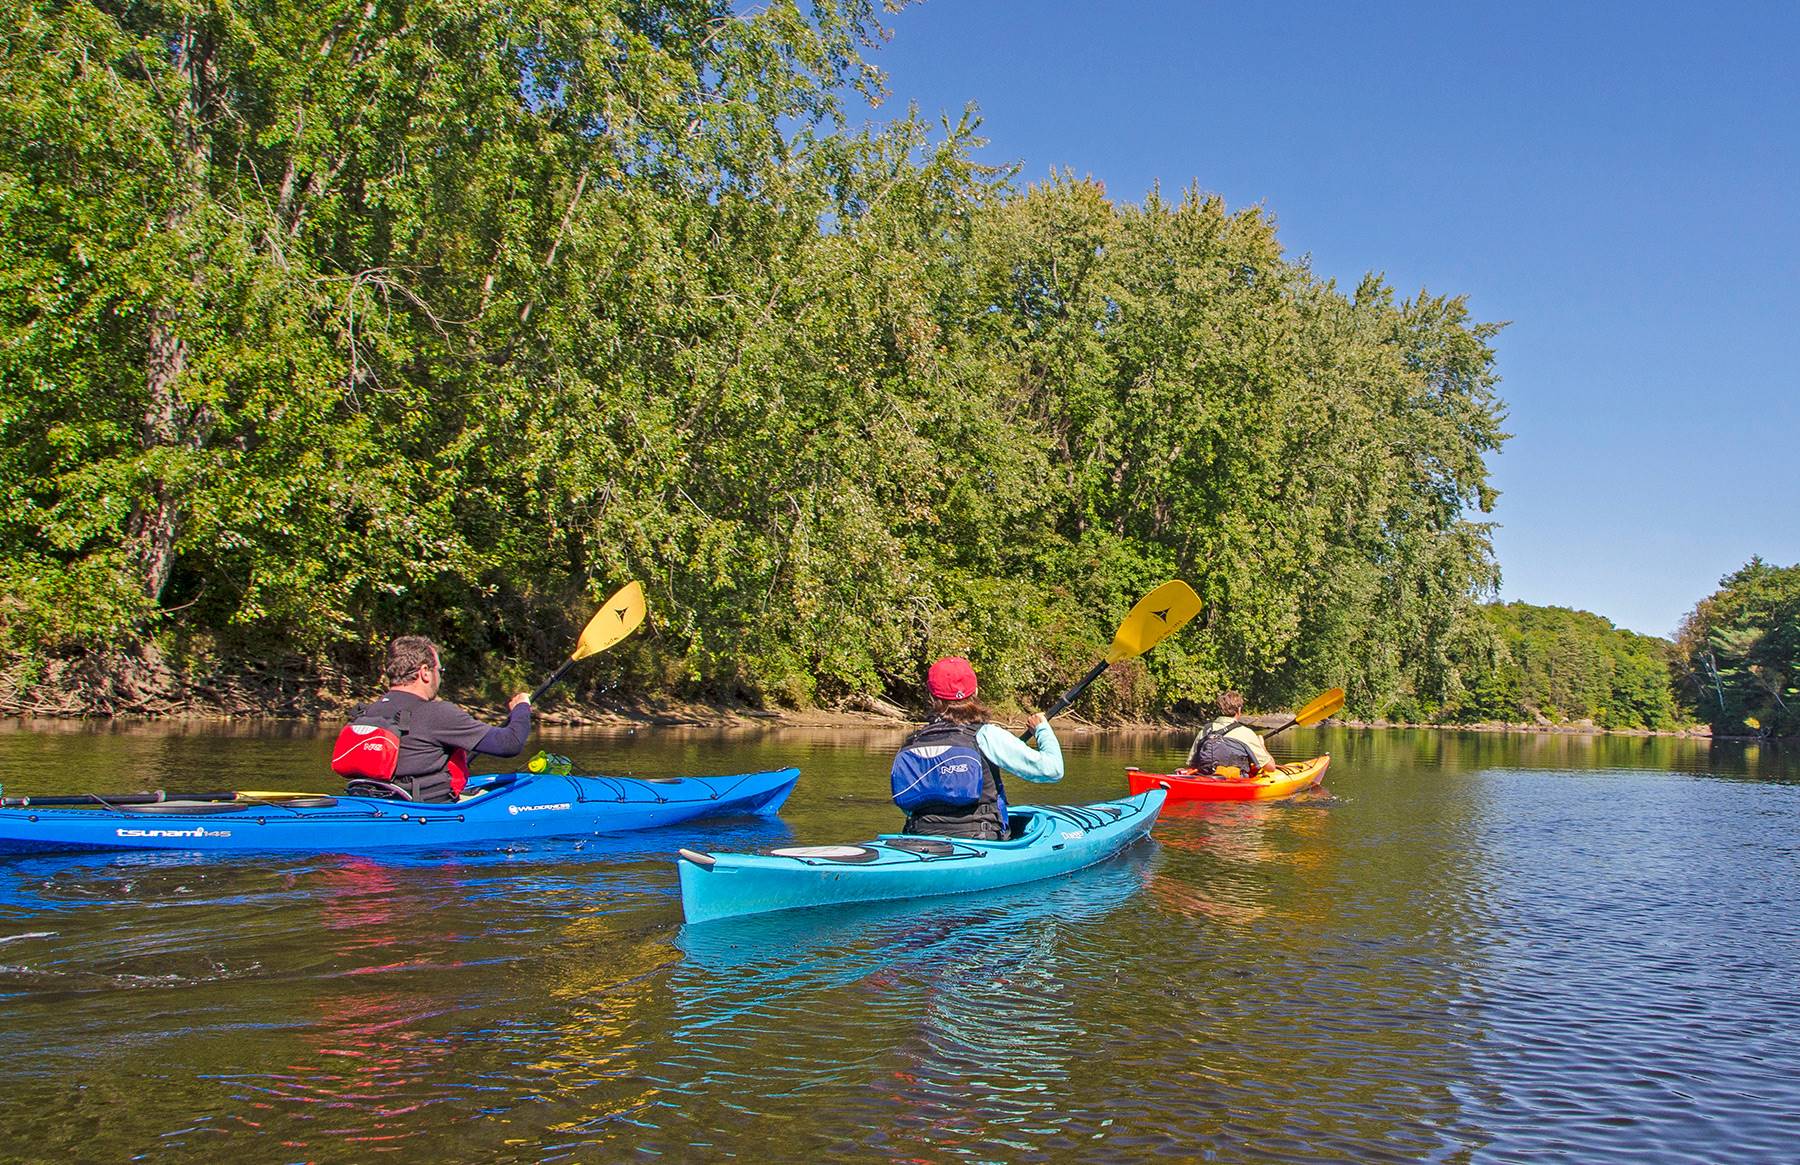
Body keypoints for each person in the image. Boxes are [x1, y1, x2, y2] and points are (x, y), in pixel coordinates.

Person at [888, 656, 1064, 841]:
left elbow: (907, 805)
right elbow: (1052, 770)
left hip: (919, 838)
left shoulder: (912, 742)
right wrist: (1042, 729)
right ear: (976, 691)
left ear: (931, 697)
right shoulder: (987, 735)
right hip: (981, 839)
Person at [344, 636, 534, 802]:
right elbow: (509, 744)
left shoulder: (368, 711)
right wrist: (521, 708)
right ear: (425, 672)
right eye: (439, 671)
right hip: (423, 811)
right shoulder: (437, 713)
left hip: (372, 800)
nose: (440, 678)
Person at [1185, 690, 1275, 777]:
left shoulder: (1205, 731)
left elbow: (1191, 764)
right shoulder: (1246, 733)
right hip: (1235, 782)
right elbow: (1270, 767)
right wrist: (1262, 746)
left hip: (1206, 779)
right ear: (1239, 710)